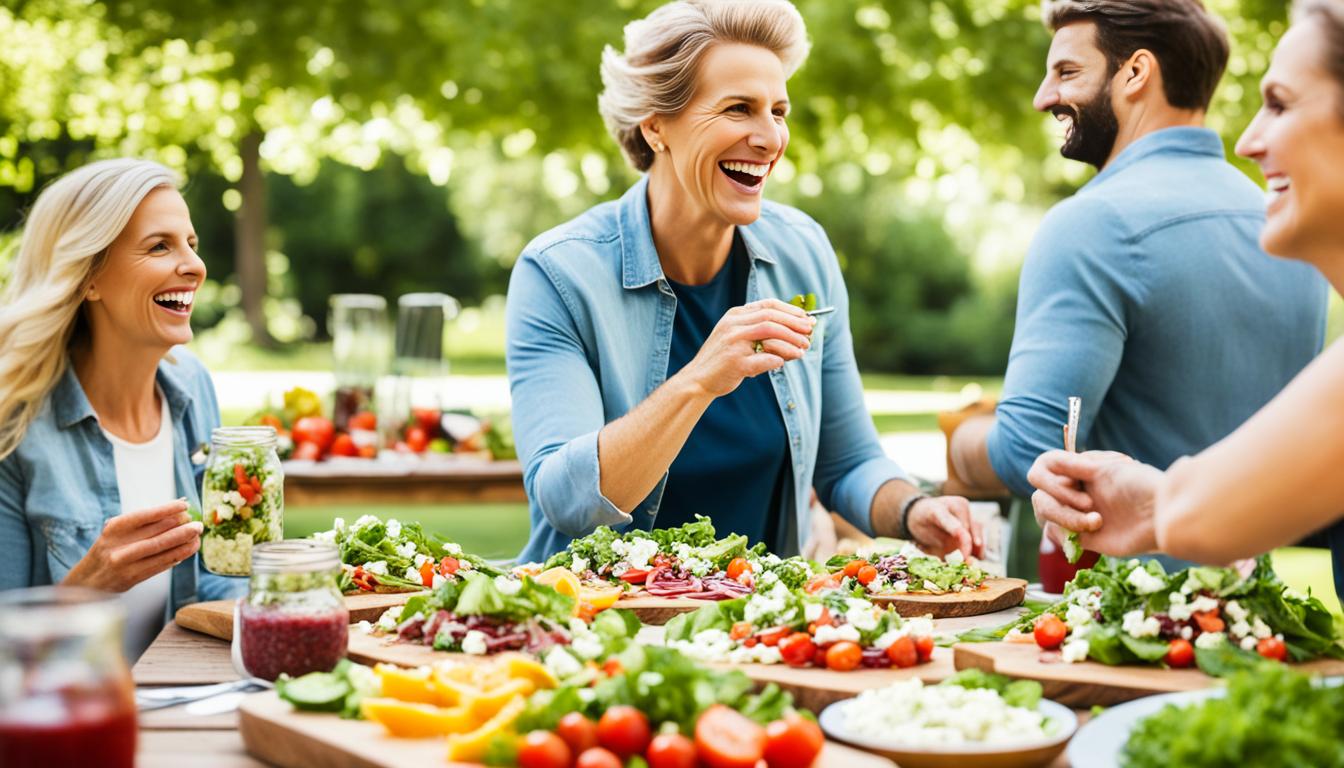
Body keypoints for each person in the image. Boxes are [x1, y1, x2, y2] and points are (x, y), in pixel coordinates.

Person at [507, 0, 982, 564]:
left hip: (753, 629)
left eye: (778, 111)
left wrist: (913, 509)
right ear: (657, 126)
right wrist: (701, 379)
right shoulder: (560, 274)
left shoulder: (803, 254)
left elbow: (847, 462)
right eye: (739, 109)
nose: (769, 137)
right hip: (597, 624)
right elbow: (568, 499)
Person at [946, 0, 1328, 573]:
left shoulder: (1091, 223)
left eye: (1067, 72)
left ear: (1135, 73)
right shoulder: (1288, 225)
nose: (1043, 96)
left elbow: (1035, 448)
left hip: (1118, 628)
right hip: (1255, 612)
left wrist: (963, 436)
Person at [0, 158, 245, 660]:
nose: (195, 266)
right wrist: (91, 584)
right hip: (69, 724)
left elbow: (215, 582)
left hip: (181, 707)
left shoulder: (193, 386)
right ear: (88, 279)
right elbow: (7, 656)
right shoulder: (14, 425)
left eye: (191, 245)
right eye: (160, 246)